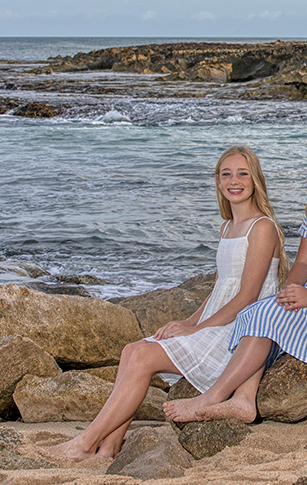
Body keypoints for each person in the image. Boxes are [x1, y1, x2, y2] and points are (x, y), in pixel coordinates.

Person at [52, 146, 287, 460]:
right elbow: (220, 287)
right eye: (226, 174)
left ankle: (84, 443)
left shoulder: (263, 227)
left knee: (144, 358)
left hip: (241, 333)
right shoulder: (227, 227)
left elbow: (247, 296)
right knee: (130, 350)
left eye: (243, 173)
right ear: (217, 181)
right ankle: (108, 447)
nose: (235, 180)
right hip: (219, 321)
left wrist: (196, 331)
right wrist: (187, 323)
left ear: (256, 179)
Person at [163, 129, 307, 422]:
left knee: (265, 315)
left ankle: (213, 396)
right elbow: (303, 262)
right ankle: (243, 399)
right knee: (260, 310)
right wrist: (292, 289)